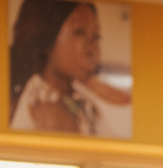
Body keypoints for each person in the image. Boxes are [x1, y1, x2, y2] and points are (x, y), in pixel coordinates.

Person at [8, 1, 129, 135]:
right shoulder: (31, 103)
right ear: (47, 38)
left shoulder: (86, 104)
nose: (92, 49)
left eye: (96, 36)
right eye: (79, 32)